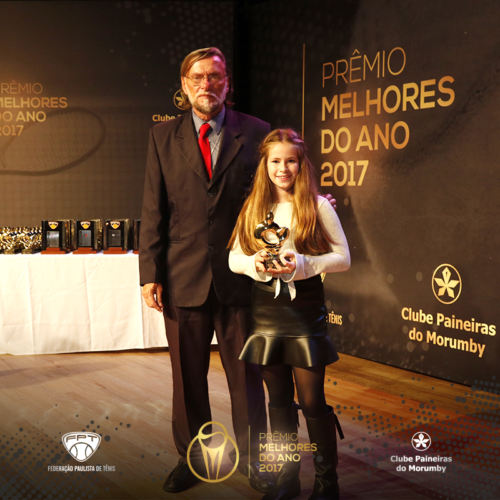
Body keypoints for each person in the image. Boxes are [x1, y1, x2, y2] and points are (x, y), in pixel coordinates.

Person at [228, 129, 350, 500]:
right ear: (265, 165)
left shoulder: (318, 205)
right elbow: (233, 258)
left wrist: (303, 264)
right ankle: (287, 477)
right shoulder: (253, 207)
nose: (283, 168)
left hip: (304, 314)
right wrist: (254, 263)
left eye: (291, 161)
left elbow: (343, 258)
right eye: (276, 161)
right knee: (278, 401)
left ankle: (327, 484)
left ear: (301, 164)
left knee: (312, 402)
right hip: (266, 314)